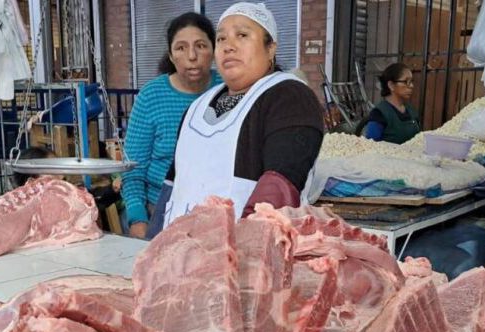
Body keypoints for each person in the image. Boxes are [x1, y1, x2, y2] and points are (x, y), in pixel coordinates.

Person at [151, 2, 324, 235]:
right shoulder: (197, 108)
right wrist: (152, 246)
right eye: (221, 39)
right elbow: (172, 186)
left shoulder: (289, 97)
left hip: (242, 256)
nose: (228, 46)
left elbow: (279, 187)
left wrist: (237, 253)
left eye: (242, 35)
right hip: (180, 254)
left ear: (271, 48)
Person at [122, 12, 221, 239]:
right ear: (171, 55)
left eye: (200, 46)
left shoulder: (228, 89)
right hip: (160, 211)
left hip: (215, 215)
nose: (192, 56)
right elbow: (132, 170)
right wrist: (138, 221)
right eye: (181, 48)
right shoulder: (151, 97)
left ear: (213, 51)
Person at [361, 62, 420, 144]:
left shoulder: (411, 110)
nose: (411, 86)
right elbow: (370, 145)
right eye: (406, 81)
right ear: (391, 85)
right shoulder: (379, 113)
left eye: (411, 81)